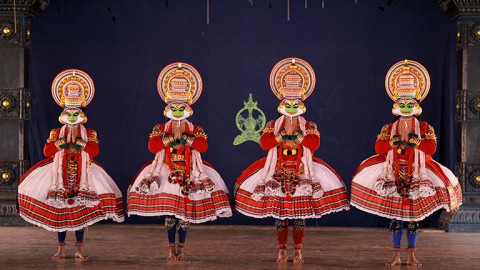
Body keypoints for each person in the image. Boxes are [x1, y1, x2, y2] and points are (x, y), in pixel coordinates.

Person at [234, 58, 349, 264]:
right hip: (277, 169)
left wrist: (298, 137)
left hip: (302, 171)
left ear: (301, 104)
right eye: (288, 103)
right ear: (282, 103)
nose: (291, 106)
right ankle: (281, 250)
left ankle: (298, 250)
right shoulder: (274, 124)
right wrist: (280, 137)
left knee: (299, 215)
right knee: (279, 215)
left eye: (295, 103)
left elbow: (314, 144)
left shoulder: (308, 125)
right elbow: (265, 143)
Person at [350, 60, 462, 266]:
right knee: (394, 219)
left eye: (409, 104)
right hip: (393, 173)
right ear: (396, 105)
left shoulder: (425, 127)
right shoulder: (388, 128)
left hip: (417, 174)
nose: (406, 107)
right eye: (402, 103)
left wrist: (415, 142)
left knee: (412, 220)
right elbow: (379, 149)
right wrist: (394, 143)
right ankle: (395, 254)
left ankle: (411, 254)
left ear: (417, 105)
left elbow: (431, 148)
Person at [127, 62, 232, 261]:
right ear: (167, 107)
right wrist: (167, 139)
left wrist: (188, 139)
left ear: (188, 107)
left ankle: (181, 247)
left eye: (181, 107)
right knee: (169, 215)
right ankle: (169, 247)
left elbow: (203, 147)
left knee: (184, 216)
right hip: (166, 171)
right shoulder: (161, 128)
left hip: (190, 171)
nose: (177, 110)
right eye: (173, 107)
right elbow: (152, 147)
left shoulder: (195, 128)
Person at [18, 69, 124, 259]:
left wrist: (80, 144)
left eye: (76, 112)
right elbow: (47, 152)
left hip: (84, 175)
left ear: (81, 113)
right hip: (59, 176)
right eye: (69, 112)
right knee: (61, 213)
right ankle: (60, 248)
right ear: (63, 113)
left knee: (80, 214)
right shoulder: (56, 133)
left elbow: (95, 151)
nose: (72, 115)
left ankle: (80, 249)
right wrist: (61, 144)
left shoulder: (89, 133)